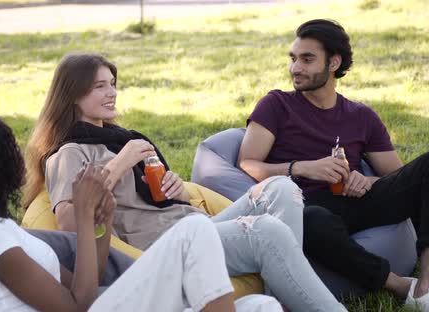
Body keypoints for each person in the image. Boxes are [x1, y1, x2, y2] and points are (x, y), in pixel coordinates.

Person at [23, 53, 348, 311]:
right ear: (72, 94)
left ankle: (283, 299)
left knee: (281, 188)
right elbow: (69, 221)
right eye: (100, 86)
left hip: (194, 223)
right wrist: (122, 162)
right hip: (162, 247)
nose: (112, 93)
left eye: (112, 83)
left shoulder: (119, 137)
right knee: (265, 231)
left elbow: (156, 197)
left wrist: (176, 192)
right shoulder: (68, 153)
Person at [0, 112, 283, 312]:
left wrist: (100, 223)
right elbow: (78, 305)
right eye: (6, 157)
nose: (17, 167)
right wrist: (85, 219)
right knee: (194, 233)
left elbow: (79, 284)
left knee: (261, 305)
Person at [237, 19, 429, 312]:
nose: (295, 68)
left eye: (307, 59)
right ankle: (402, 287)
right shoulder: (276, 105)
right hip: (301, 205)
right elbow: (247, 163)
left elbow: (397, 176)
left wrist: (368, 181)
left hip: (353, 200)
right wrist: (302, 168)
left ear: (333, 62)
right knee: (312, 219)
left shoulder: (360, 115)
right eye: (293, 58)